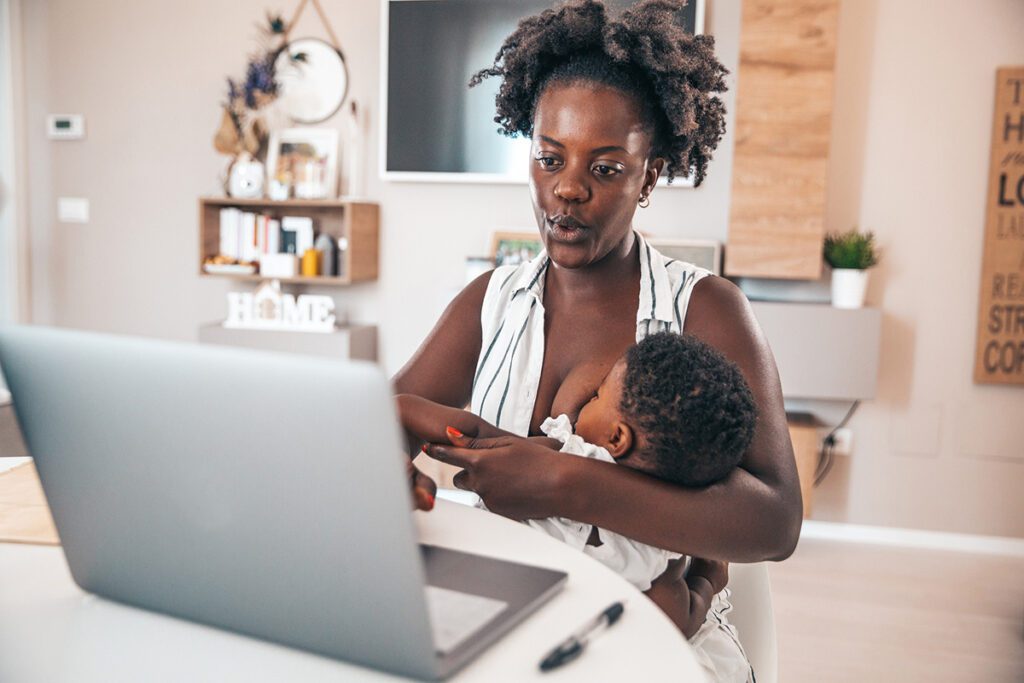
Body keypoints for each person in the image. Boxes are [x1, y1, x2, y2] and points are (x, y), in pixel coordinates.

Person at [394, 1, 802, 680]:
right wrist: (386, 454)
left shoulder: (706, 308)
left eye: (606, 168)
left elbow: (775, 521)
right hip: (507, 612)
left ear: (651, 175)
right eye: (549, 157)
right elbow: (384, 414)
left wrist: (563, 480)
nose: (568, 188)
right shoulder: (489, 302)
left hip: (656, 629)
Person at [399, 332, 756, 671]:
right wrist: (708, 580)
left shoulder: (569, 456)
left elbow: (473, 434)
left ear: (616, 438)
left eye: (598, 397)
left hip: (499, 627)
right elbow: (678, 621)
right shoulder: (661, 548)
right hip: (562, 654)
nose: (587, 400)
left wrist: (404, 408)